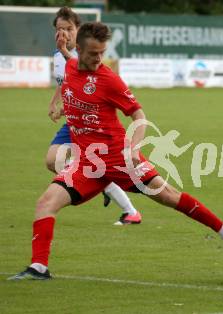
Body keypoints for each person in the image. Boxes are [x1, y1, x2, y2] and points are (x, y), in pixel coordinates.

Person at [9, 22, 223, 280]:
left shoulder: (109, 80)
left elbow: (138, 114)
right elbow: (72, 65)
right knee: (45, 203)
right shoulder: (71, 65)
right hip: (88, 164)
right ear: (79, 50)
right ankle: (38, 267)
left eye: (102, 52)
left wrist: (134, 147)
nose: (99, 59)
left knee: (170, 196)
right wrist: (63, 52)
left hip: (119, 158)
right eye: (93, 53)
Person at [47, 7, 143, 225]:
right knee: (53, 161)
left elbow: (85, 78)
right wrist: (58, 103)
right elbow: (66, 82)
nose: (64, 33)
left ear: (78, 30)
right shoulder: (59, 55)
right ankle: (110, 190)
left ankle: (128, 209)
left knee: (76, 164)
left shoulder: (83, 56)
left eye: (69, 28)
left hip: (93, 126)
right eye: (60, 28)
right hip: (75, 122)